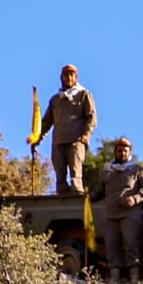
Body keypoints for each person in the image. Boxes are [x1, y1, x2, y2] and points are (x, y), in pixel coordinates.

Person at [92, 137, 143, 283]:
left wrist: (135, 199)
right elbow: (99, 192)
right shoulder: (107, 171)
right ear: (115, 152)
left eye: (125, 150)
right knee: (111, 245)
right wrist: (88, 196)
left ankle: (134, 277)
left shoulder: (137, 170)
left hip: (130, 213)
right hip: (111, 214)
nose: (122, 153)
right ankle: (115, 278)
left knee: (130, 243)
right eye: (119, 150)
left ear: (129, 152)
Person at [41, 65, 98, 194]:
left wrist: (86, 134)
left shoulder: (83, 94)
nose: (69, 78)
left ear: (76, 78)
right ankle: (62, 198)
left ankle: (77, 196)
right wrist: (36, 139)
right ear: (61, 78)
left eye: (72, 75)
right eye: (66, 75)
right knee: (59, 173)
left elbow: (91, 117)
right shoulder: (55, 100)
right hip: (59, 141)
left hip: (76, 140)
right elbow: (46, 123)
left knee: (75, 172)